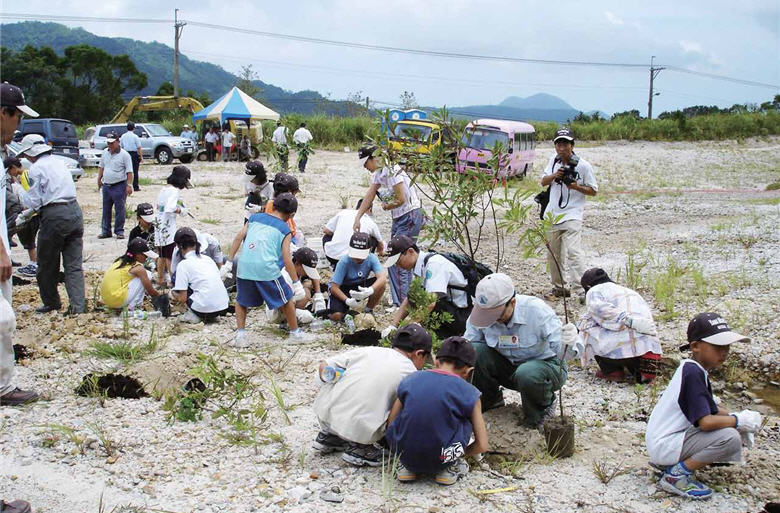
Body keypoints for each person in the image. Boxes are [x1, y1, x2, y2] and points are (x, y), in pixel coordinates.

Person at [646, 313, 762, 500]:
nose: (724, 352)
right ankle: (676, 475)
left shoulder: (693, 369)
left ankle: (673, 464)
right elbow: (706, 422)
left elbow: (712, 409)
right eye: (717, 346)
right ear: (695, 346)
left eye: (726, 346)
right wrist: (738, 421)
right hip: (665, 444)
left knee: (730, 426)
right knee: (729, 437)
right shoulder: (692, 373)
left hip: (665, 441)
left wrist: (736, 416)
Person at [464, 273, 578, 427]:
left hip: (544, 368)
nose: (492, 319)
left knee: (527, 373)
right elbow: (468, 347)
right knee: (473, 351)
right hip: (508, 367)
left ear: (512, 302)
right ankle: (490, 402)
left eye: (497, 314)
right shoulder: (481, 312)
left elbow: (564, 354)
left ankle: (541, 411)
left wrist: (569, 342)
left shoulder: (536, 311)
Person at [312, 323, 432, 466]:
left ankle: (330, 436)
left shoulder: (369, 350)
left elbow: (323, 365)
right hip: (360, 428)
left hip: (325, 416)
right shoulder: (410, 372)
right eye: (425, 360)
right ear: (419, 354)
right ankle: (361, 448)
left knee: (342, 383)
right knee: (401, 405)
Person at [386, 336, 488, 485]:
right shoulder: (470, 392)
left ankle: (406, 468)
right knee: (465, 421)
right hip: (442, 458)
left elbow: (391, 422)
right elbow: (482, 445)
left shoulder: (411, 379)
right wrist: (456, 455)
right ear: (469, 371)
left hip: (404, 453)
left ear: (436, 362)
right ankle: (448, 468)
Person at [224, 193, 313, 347]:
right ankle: (295, 333)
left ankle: (240, 336)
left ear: (274, 206)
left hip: (245, 264)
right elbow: (286, 258)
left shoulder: (255, 218)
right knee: (286, 298)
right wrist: (296, 282)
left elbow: (238, 237)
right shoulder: (285, 229)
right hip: (266, 267)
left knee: (241, 301)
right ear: (291, 215)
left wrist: (229, 262)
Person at [0, 82, 39, 406]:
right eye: (17, 117)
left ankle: (4, 386)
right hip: (0, 250)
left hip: (4, 249)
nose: (19, 125)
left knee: (5, 322)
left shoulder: (3, 155)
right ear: (4, 113)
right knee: (4, 319)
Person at [17, 134, 86, 315]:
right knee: (74, 266)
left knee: (47, 264)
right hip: (75, 211)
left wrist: (19, 194)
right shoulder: (59, 162)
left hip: (55, 215)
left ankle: (51, 303)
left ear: (31, 153)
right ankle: (78, 306)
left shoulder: (36, 169)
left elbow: (33, 200)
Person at [353, 146, 423, 306]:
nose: (365, 167)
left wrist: (387, 206)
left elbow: (402, 199)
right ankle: (406, 301)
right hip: (400, 217)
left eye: (366, 163)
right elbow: (369, 195)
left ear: (374, 158)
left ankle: (402, 305)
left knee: (398, 260)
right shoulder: (380, 172)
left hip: (409, 215)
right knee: (399, 260)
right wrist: (358, 217)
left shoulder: (391, 170)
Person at [539, 128, 597, 301]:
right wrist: (555, 175)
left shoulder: (584, 166)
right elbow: (543, 181)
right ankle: (560, 288)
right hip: (552, 214)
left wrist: (575, 186)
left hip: (572, 214)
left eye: (565, 144)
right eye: (558, 143)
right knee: (553, 254)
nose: (561, 147)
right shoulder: (553, 161)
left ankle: (582, 290)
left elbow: (593, 190)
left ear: (572, 145)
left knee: (573, 252)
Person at [577, 268, 662, 383]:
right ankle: (645, 370)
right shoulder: (631, 292)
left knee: (585, 324)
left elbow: (600, 309)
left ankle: (613, 371)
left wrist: (627, 320)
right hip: (649, 349)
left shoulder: (594, 291)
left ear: (587, 287)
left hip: (623, 351)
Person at [382, 235, 470, 339]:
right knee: (415, 294)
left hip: (462, 316)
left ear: (410, 252)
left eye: (398, 261)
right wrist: (393, 326)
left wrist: (406, 329)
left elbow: (430, 303)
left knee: (429, 301)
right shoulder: (421, 265)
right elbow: (410, 298)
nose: (397, 265)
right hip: (450, 309)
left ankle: (442, 336)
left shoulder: (434, 264)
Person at [170, 228, 230, 324]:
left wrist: (173, 293)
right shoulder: (207, 259)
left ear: (178, 246)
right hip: (222, 306)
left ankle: (193, 315)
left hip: (203, 308)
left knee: (179, 284)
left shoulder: (183, 264)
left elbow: (182, 298)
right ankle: (213, 316)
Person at [328, 233, 388, 322]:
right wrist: (347, 300)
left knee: (381, 284)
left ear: (369, 250)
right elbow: (334, 287)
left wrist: (370, 290)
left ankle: (368, 310)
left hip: (359, 286)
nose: (358, 258)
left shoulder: (372, 258)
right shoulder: (344, 261)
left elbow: (382, 278)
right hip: (343, 289)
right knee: (336, 316)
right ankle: (347, 315)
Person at [100, 237, 168, 312]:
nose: (147, 258)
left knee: (145, 274)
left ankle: (128, 305)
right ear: (138, 255)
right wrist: (163, 297)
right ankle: (135, 306)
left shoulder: (119, 262)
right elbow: (151, 292)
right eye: (145, 255)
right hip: (117, 300)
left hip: (107, 300)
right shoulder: (138, 269)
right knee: (146, 275)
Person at [154, 166, 191, 286]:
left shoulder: (164, 189)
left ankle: (160, 279)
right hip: (168, 227)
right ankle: (172, 280)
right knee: (169, 256)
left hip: (158, 224)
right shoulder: (174, 191)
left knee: (161, 255)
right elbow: (170, 208)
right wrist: (181, 210)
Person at [323, 199, 384, 269]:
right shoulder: (370, 222)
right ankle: (362, 263)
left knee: (326, 236)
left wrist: (339, 234)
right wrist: (381, 252)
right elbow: (380, 244)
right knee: (373, 239)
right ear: (370, 210)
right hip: (357, 259)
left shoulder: (343, 213)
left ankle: (334, 263)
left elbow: (326, 230)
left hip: (333, 257)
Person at [4, 156, 38, 277]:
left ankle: (34, 263)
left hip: (27, 211)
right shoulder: (11, 178)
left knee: (27, 238)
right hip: (24, 210)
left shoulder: (22, 176)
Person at [97, 131, 134, 239]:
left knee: (120, 209)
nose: (110, 145)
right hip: (106, 185)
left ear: (118, 142)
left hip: (119, 186)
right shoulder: (105, 152)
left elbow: (129, 172)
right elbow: (101, 167)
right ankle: (105, 231)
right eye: (108, 143)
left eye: (112, 143)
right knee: (106, 209)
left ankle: (119, 231)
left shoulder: (125, 155)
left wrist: (129, 185)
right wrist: (99, 179)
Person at [264, 173, 304, 246]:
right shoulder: (273, 205)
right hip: (284, 239)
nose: (294, 196)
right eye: (294, 193)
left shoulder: (273, 203)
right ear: (289, 191)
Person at [120, 122, 143, 192]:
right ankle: (136, 187)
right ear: (134, 128)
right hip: (134, 154)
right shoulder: (135, 136)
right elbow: (139, 147)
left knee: (125, 171)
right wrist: (141, 156)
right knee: (135, 171)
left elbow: (121, 146)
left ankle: (124, 186)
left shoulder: (123, 136)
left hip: (125, 153)